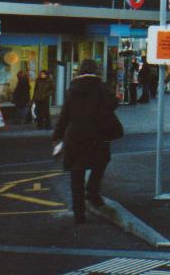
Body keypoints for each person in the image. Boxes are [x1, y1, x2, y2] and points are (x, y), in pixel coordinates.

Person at [52, 59, 119, 224]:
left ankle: (79, 214)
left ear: (80, 71)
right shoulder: (102, 88)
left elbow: (64, 116)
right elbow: (113, 104)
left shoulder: (72, 90)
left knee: (77, 174)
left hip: (75, 136)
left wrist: (57, 136)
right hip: (97, 135)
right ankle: (93, 193)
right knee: (101, 162)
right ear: (96, 70)